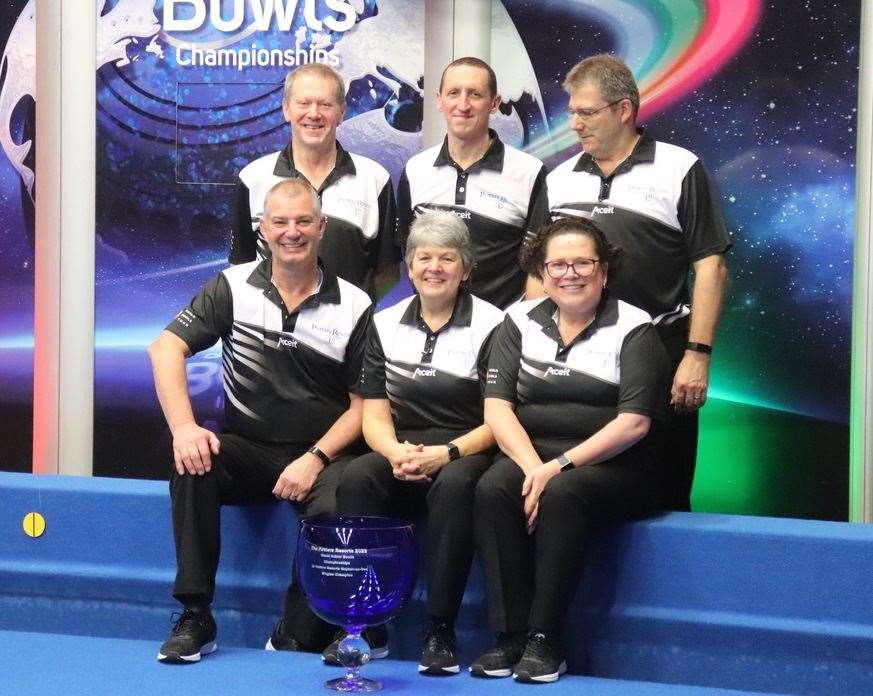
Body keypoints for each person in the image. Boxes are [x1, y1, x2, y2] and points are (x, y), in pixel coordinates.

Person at [149, 178, 372, 663]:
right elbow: (166, 347)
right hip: (248, 449)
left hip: (322, 458)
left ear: (322, 227)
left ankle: (313, 625)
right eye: (280, 222)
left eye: (303, 221)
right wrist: (185, 428)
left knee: (345, 496)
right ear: (263, 229)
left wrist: (315, 459)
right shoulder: (232, 287)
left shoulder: (355, 304)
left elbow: (363, 407)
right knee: (194, 462)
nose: (292, 232)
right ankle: (195, 615)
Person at [471, 217, 670, 683]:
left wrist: (557, 468)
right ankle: (509, 637)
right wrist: (533, 467)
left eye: (583, 262)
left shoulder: (635, 327)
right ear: (541, 271)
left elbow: (634, 423)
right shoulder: (517, 320)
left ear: (603, 271)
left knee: (563, 494)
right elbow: (497, 409)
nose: (570, 274)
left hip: (615, 465)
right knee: (491, 488)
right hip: (534, 457)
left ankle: (545, 640)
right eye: (557, 264)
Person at [546, 54, 730, 511]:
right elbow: (539, 275)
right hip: (579, 356)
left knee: (663, 493)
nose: (575, 124)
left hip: (660, 351)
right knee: (576, 487)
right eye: (571, 112)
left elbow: (711, 266)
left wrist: (698, 354)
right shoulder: (557, 179)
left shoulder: (679, 167)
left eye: (586, 112)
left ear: (624, 110)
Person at [330, 211, 504, 675]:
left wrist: (444, 455)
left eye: (447, 258)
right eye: (423, 257)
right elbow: (374, 413)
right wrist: (394, 453)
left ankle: (439, 628)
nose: (434, 267)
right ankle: (366, 622)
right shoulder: (383, 323)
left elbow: (499, 419)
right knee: (357, 477)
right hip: (401, 448)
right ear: (409, 268)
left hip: (466, 449)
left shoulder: (494, 324)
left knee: (453, 486)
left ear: (466, 269)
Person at [229, 63, 396, 299]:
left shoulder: (375, 179)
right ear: (286, 109)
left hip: (347, 334)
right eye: (304, 103)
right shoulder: (252, 177)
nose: (314, 113)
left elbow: (388, 272)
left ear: (342, 111)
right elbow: (240, 267)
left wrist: (357, 318)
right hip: (271, 334)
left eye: (326, 104)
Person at [397, 57, 549, 309]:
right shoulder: (415, 170)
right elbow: (408, 252)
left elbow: (538, 266)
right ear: (439, 100)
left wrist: (519, 332)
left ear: (494, 103)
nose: (463, 105)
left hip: (500, 332)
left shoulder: (529, 172)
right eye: (454, 93)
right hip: (432, 326)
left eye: (475, 94)